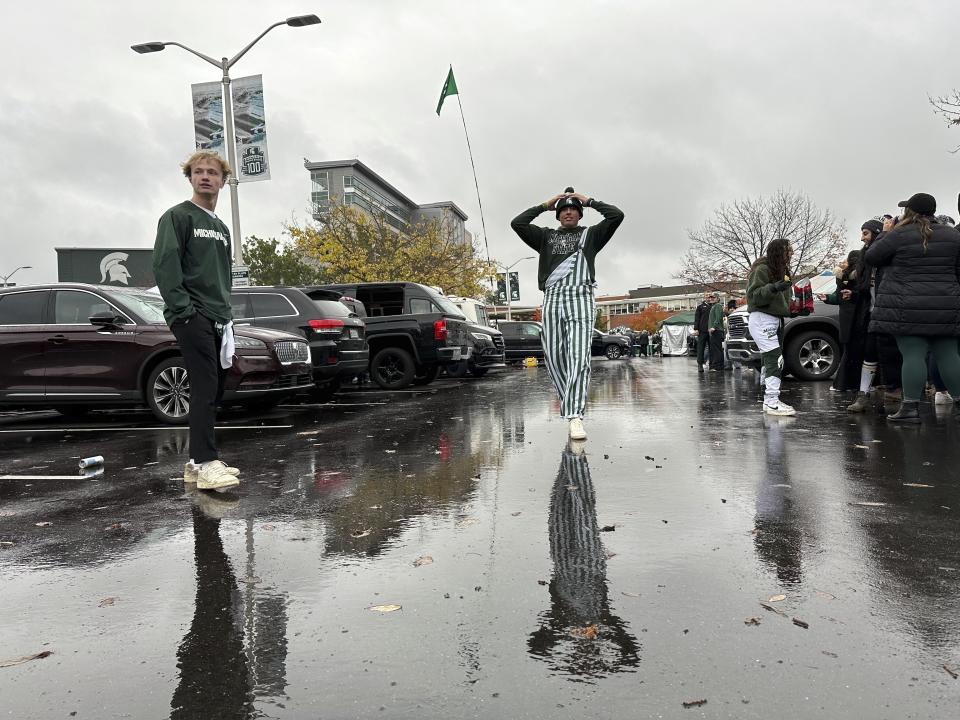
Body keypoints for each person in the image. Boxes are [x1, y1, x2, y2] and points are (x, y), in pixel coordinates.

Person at [153, 150, 241, 490]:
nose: (206, 176)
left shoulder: (220, 227)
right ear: (190, 177)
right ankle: (206, 461)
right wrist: (184, 310)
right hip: (192, 316)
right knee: (204, 386)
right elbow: (165, 265)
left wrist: (227, 316)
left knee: (215, 389)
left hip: (219, 317)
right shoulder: (177, 217)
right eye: (199, 172)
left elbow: (223, 277)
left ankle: (194, 463)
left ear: (222, 180)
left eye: (213, 173)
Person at [511, 187, 624, 441]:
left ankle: (575, 415)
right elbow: (517, 223)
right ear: (557, 215)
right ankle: (569, 401)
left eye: (574, 209)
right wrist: (544, 205)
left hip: (581, 297)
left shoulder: (592, 235)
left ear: (580, 214)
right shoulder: (545, 237)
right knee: (553, 355)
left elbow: (616, 216)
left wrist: (591, 201)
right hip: (552, 297)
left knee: (578, 355)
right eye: (564, 209)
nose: (569, 212)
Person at [864, 192, 960, 423]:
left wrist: (886, 231)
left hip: (906, 307)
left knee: (913, 355)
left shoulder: (899, 235)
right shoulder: (953, 235)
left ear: (910, 212)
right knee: (949, 355)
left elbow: (872, 257)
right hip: (945, 305)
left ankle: (910, 409)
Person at [746, 239, 796, 416]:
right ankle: (772, 402)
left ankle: (770, 401)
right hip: (762, 319)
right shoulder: (762, 269)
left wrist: (795, 311)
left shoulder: (782, 271)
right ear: (778, 252)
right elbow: (754, 297)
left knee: (773, 359)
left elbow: (783, 301)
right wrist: (774, 287)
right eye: (788, 250)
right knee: (774, 359)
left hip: (774, 319)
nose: (791, 253)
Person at [818, 249, 862, 392]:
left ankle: (843, 383)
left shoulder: (846, 276)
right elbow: (841, 296)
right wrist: (828, 298)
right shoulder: (853, 276)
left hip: (849, 319)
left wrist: (833, 298)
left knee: (849, 351)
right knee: (854, 351)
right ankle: (852, 384)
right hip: (855, 318)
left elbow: (841, 296)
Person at [693, 293, 715, 372]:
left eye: (710, 296)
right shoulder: (700, 307)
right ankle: (700, 365)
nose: (708, 298)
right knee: (701, 348)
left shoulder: (713, 306)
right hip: (702, 331)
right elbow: (697, 318)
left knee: (711, 348)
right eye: (707, 296)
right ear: (704, 297)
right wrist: (696, 329)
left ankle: (712, 365)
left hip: (711, 331)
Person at [707, 294, 726, 371]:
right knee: (715, 349)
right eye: (710, 297)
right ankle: (717, 366)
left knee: (717, 349)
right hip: (714, 331)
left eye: (713, 297)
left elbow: (718, 318)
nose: (711, 299)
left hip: (716, 330)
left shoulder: (718, 305)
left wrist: (714, 327)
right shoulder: (713, 306)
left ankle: (718, 367)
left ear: (718, 298)